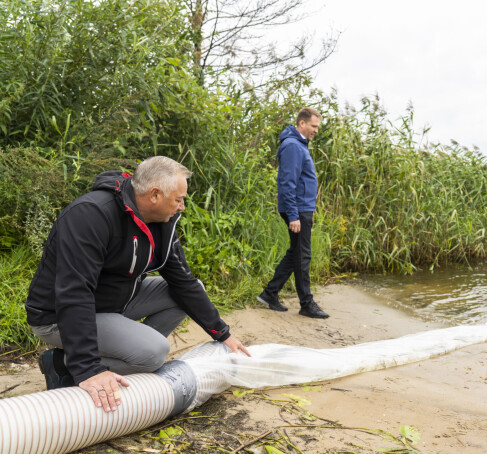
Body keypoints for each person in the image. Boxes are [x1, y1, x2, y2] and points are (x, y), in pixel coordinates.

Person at [25, 156, 250, 412]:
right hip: (57, 315)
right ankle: (63, 365)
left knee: (189, 289)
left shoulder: (161, 224)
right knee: (154, 353)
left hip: (112, 303)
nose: (182, 207)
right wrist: (88, 368)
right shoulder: (91, 214)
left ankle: (120, 354)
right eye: (178, 199)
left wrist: (222, 334)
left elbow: (183, 282)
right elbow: (74, 293)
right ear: (154, 195)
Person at [257, 107, 329, 319]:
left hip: (302, 208)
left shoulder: (298, 145)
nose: (316, 130)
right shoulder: (292, 146)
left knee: (296, 252)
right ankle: (306, 303)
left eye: (317, 126)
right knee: (302, 256)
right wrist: (294, 215)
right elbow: (287, 183)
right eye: (313, 126)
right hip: (298, 209)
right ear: (302, 124)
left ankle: (269, 293)